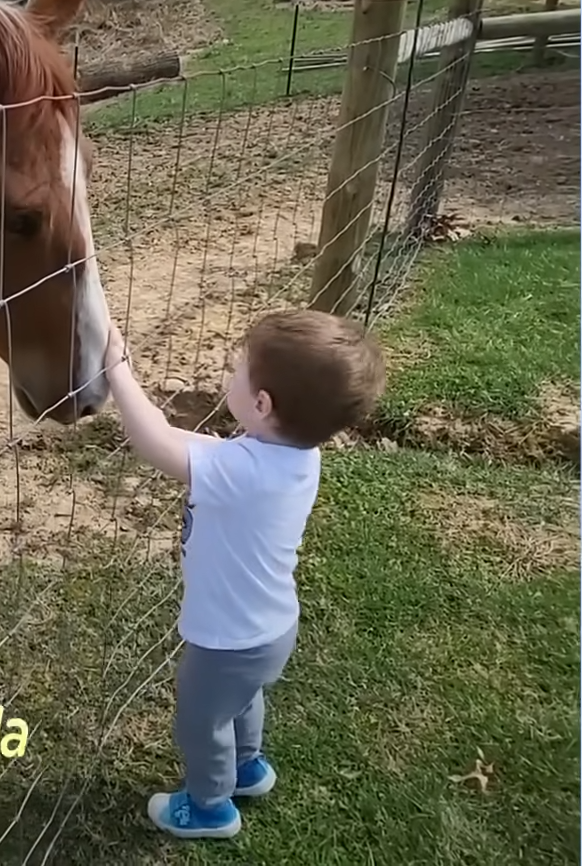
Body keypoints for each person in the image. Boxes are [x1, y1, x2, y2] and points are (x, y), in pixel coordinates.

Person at [102, 308, 386, 839]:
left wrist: (118, 369)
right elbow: (199, 446)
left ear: (262, 404)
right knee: (242, 698)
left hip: (227, 639)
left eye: (237, 371)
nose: (228, 376)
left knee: (201, 719)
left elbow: (156, 441)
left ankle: (210, 804)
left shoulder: (242, 472)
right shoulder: (293, 456)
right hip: (271, 627)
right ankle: (247, 767)